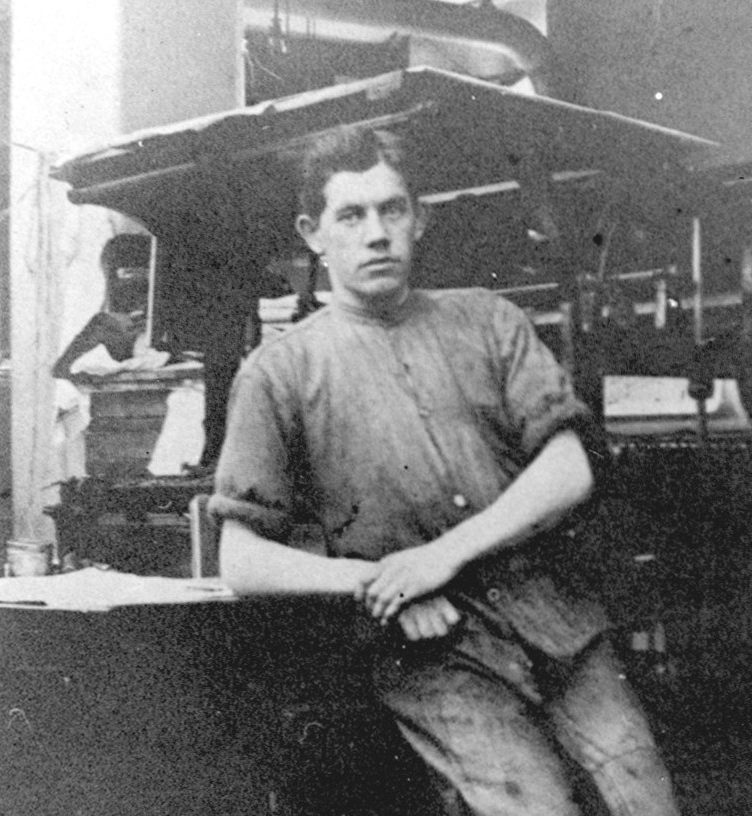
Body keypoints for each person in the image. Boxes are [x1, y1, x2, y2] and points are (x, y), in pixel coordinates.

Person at [209, 126, 680, 816]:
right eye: (351, 215)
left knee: (647, 803)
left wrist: (440, 556)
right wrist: (384, 581)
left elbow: (570, 465)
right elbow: (243, 560)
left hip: (558, 623)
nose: (377, 234)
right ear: (313, 233)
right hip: (435, 652)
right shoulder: (278, 375)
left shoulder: (489, 321)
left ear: (418, 218)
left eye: (392, 210)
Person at [51, 233, 157, 381]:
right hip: (140, 345)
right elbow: (61, 369)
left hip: (153, 344)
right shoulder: (109, 321)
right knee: (103, 322)